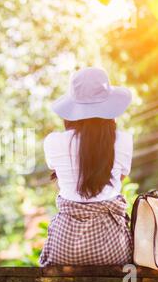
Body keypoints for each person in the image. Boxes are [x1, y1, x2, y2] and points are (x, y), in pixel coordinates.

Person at [39, 67, 134, 266]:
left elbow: (62, 176)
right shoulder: (124, 141)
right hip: (112, 246)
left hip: (66, 245)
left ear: (72, 109)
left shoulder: (53, 142)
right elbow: (120, 179)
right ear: (110, 107)